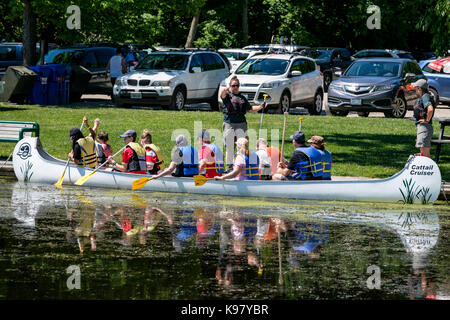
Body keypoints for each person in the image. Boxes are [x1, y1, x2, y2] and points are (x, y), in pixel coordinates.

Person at [221, 76, 267, 172]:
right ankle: (229, 167)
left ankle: (242, 165)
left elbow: (250, 109)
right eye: (233, 85)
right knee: (229, 146)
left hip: (241, 124)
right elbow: (222, 95)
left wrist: (260, 107)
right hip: (229, 123)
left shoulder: (242, 98)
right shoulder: (227, 96)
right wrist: (225, 89)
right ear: (230, 86)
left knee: (243, 146)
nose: (235, 87)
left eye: (237, 85)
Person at [412, 79, 435, 158]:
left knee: (425, 154)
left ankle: (427, 169)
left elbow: (430, 109)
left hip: (425, 127)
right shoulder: (425, 96)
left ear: (419, 88)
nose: (415, 89)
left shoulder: (425, 96)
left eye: (416, 88)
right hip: (423, 127)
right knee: (423, 152)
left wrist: (427, 120)